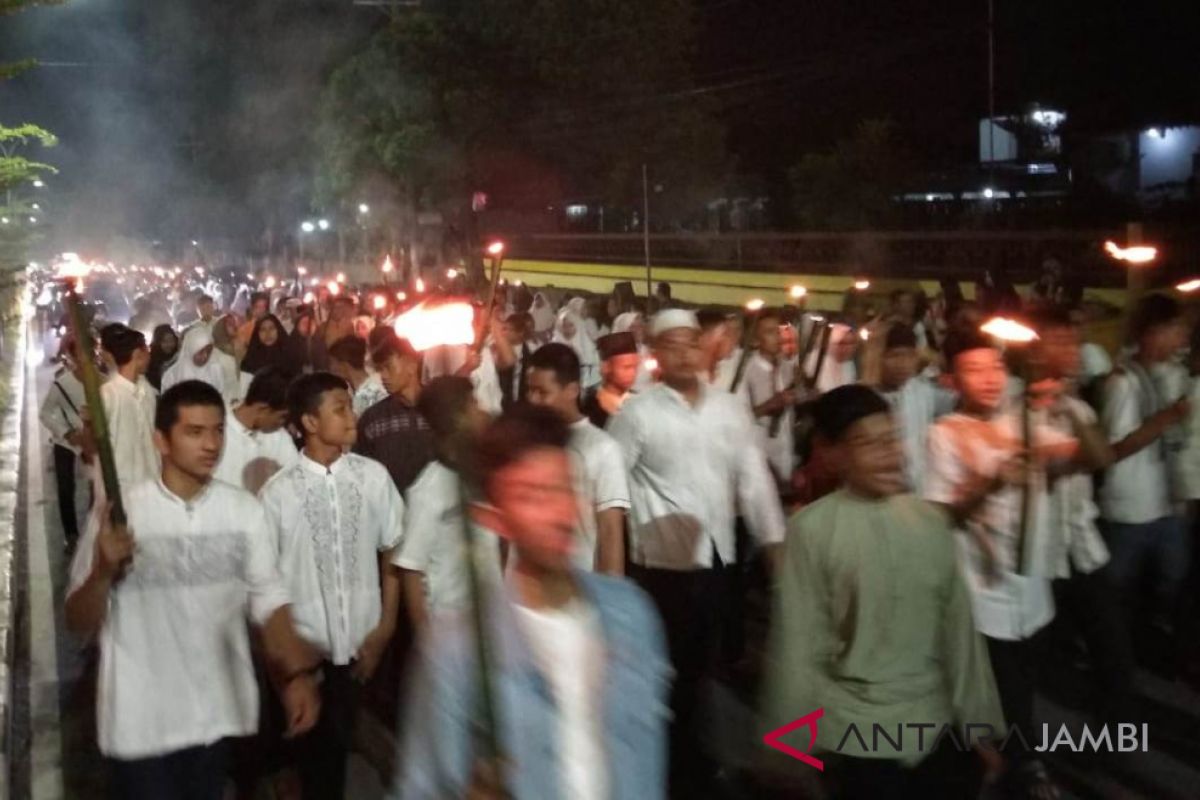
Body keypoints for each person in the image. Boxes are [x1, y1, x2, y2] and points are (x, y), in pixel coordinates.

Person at [394, 404, 670, 800]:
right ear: (495, 518)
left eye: (563, 488)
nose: (559, 513)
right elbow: (420, 787)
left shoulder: (632, 615)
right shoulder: (458, 649)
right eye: (533, 495)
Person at [64, 381, 320, 800]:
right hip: (141, 726)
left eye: (218, 430)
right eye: (194, 432)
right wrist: (103, 571)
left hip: (213, 720)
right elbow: (76, 619)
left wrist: (294, 676)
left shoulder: (243, 511)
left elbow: (268, 598)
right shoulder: (122, 513)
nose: (211, 444)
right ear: (161, 441)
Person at [763, 385, 1003, 799]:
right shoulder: (812, 530)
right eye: (866, 443)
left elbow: (959, 631)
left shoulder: (929, 521)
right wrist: (791, 744)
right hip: (857, 733)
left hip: (934, 722)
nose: (889, 453)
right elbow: (800, 641)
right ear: (833, 453)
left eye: (891, 438)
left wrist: (979, 726)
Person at [607, 308, 786, 796]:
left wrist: (775, 548)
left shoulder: (729, 409)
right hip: (660, 569)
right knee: (669, 676)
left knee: (706, 670)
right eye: (674, 345)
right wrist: (612, 570)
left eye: (692, 343)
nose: (685, 353)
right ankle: (670, 770)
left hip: (717, 563)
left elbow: (754, 485)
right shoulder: (637, 415)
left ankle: (694, 761)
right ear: (657, 355)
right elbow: (610, 491)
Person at [924, 329, 1094, 799]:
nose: (989, 378)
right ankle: (1014, 767)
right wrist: (992, 481)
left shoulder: (1024, 421)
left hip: (1031, 589)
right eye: (974, 370)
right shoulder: (942, 434)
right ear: (951, 380)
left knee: (1021, 684)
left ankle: (1008, 761)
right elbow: (941, 515)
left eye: (996, 366)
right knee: (1000, 691)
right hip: (982, 591)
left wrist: (1071, 409)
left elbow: (1095, 456)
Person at [260, 372, 405, 799]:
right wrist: (284, 665)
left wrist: (387, 626)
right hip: (306, 652)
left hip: (363, 644)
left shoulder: (372, 477)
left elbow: (393, 551)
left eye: (349, 406)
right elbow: (266, 584)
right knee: (316, 762)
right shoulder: (279, 494)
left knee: (342, 752)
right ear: (308, 421)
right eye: (339, 408)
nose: (350, 415)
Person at [1029, 308, 1133, 723]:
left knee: (1111, 644)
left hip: (1080, 545)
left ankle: (1112, 729)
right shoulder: (1016, 406)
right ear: (1035, 349)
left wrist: (1068, 407)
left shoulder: (1079, 407)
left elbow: (1100, 457)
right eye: (1060, 341)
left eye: (1074, 341)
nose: (1072, 349)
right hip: (1038, 551)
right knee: (1037, 651)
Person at [1098, 293, 1191, 656]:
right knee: (1117, 588)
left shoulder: (1175, 374)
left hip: (1168, 501)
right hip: (1130, 509)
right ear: (1154, 332)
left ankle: (1144, 643)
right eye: (1177, 329)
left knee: (1172, 579)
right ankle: (1115, 653)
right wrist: (1164, 420)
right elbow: (1112, 450)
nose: (1184, 337)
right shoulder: (1123, 384)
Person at [394, 376, 499, 632]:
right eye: (474, 403)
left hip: (493, 624)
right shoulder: (429, 488)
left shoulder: (484, 476)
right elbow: (411, 570)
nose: (482, 410)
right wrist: (428, 643)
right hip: (451, 630)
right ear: (457, 417)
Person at [526, 343, 631, 574]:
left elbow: (610, 532)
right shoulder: (523, 441)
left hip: (576, 590)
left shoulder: (603, 449)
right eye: (530, 390)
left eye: (542, 392)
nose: (533, 400)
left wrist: (613, 599)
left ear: (572, 390)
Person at [873, 323, 956, 493]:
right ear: (879, 357)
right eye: (894, 355)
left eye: (909, 356)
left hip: (918, 491)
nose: (902, 363)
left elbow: (958, 403)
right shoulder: (865, 395)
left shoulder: (922, 390)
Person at [354, 337, 435, 494]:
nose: (383, 376)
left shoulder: (438, 409)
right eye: (379, 370)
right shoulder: (373, 420)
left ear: (411, 365)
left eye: (388, 367)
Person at [213, 367, 298, 494]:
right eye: (282, 417)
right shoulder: (215, 432)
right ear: (262, 410)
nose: (283, 423)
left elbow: (295, 483)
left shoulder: (280, 438)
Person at [39, 335, 89, 550]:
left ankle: (95, 532)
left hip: (92, 443)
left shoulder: (103, 380)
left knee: (98, 489)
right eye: (79, 352)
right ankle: (71, 534)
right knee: (65, 488)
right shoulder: (62, 384)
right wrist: (66, 432)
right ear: (71, 355)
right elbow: (46, 412)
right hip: (66, 442)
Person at [739, 308, 798, 481]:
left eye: (778, 331)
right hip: (758, 452)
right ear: (756, 339)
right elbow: (741, 416)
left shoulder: (787, 367)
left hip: (785, 448)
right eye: (769, 332)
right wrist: (771, 404)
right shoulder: (746, 371)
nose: (778, 338)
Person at [99, 325, 159, 493]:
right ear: (138, 355)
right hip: (123, 487)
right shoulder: (108, 394)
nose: (150, 355)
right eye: (146, 350)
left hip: (151, 480)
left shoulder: (146, 390)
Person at [161, 325, 235, 404]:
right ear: (191, 350)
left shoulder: (215, 370)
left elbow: (223, 398)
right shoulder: (172, 375)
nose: (205, 356)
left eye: (209, 351)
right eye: (200, 352)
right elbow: (167, 406)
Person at [581, 332, 640, 429]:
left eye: (635, 367)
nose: (632, 373)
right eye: (626, 367)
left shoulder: (638, 400)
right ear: (606, 367)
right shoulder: (589, 404)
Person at [327, 335, 389, 416]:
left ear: (344, 365)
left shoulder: (364, 396)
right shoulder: (377, 380)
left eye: (332, 363)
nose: (331, 368)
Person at [240, 314, 296, 387]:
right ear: (257, 333)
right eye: (263, 329)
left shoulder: (290, 357)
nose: (268, 333)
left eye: (272, 328)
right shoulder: (249, 361)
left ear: (278, 330)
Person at [552, 305, 601, 389]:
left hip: (587, 385)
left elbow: (594, 365)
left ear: (577, 326)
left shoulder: (586, 343)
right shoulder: (555, 343)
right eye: (564, 326)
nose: (567, 329)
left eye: (571, 325)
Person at [495, 312, 536, 411]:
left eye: (509, 330)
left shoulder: (531, 351)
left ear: (520, 332)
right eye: (503, 329)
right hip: (502, 401)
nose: (504, 333)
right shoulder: (498, 349)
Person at [806, 322, 858, 392]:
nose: (847, 349)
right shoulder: (814, 361)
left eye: (850, 343)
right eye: (842, 343)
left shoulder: (849, 365)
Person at [697, 308, 737, 391]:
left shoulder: (732, 374)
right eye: (726, 334)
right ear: (705, 338)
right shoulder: (684, 378)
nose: (733, 339)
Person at [145, 324, 179, 391]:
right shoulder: (150, 361)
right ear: (157, 342)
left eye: (172, 340)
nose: (169, 344)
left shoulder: (179, 357)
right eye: (164, 341)